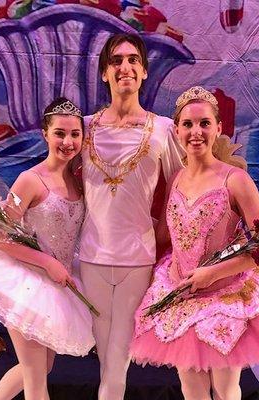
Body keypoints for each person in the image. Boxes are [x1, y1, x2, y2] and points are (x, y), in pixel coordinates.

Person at [130, 86, 259, 400]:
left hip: (224, 296)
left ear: (219, 128)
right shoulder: (176, 177)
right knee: (191, 387)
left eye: (204, 123)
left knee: (225, 389)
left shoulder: (234, 180)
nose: (196, 132)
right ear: (176, 130)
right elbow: (167, 234)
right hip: (180, 291)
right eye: (188, 124)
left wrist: (213, 273)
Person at [0, 97, 95, 400]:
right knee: (36, 380)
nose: (68, 141)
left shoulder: (77, 182)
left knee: (37, 369)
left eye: (75, 134)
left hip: (57, 282)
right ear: (45, 135)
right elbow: (2, 238)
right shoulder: (29, 180)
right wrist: (47, 263)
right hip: (29, 283)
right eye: (60, 133)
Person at [79, 33, 185, 400]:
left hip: (137, 258)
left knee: (117, 359)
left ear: (143, 72)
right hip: (90, 257)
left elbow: (180, 188)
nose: (125, 67)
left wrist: (162, 233)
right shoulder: (85, 126)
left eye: (133, 60)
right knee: (104, 354)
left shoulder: (163, 129)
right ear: (105, 73)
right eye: (116, 60)